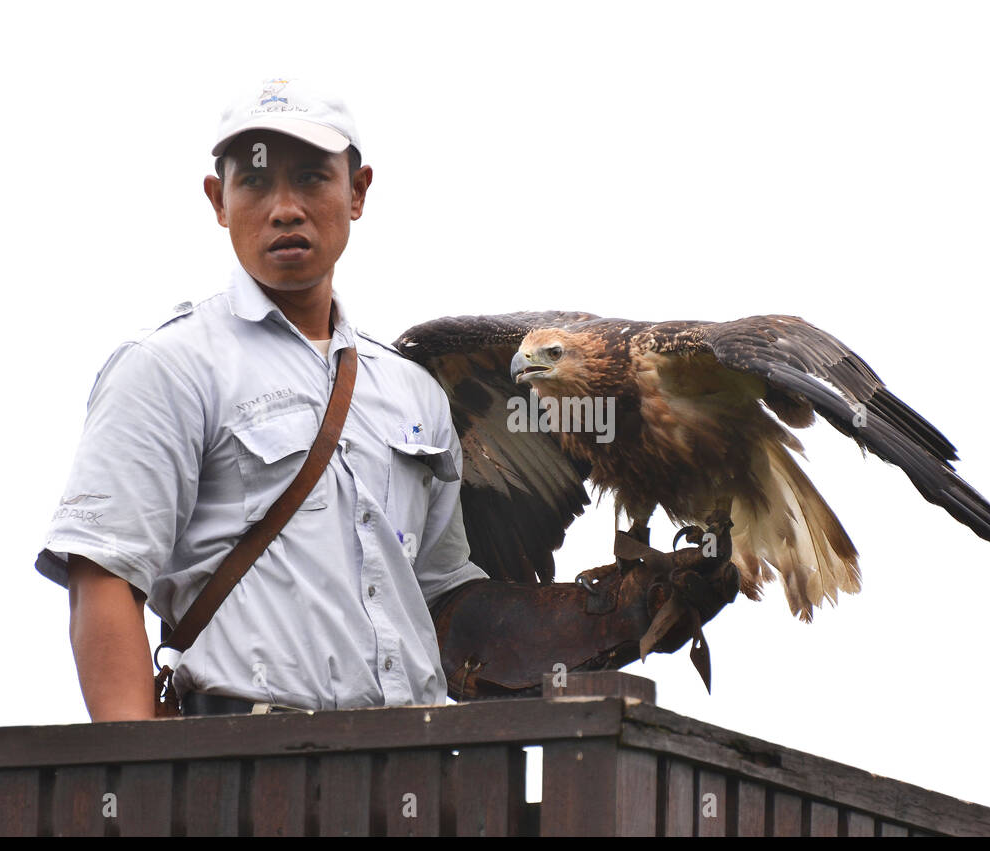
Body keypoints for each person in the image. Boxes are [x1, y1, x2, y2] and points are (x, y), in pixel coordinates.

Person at [36, 77, 737, 721]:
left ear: (358, 192)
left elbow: (442, 599)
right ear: (218, 201)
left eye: (312, 177)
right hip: (242, 768)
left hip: (413, 768)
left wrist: (601, 614)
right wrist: (135, 786)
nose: (284, 207)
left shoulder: (413, 392)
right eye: (253, 181)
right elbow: (105, 580)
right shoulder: (167, 369)